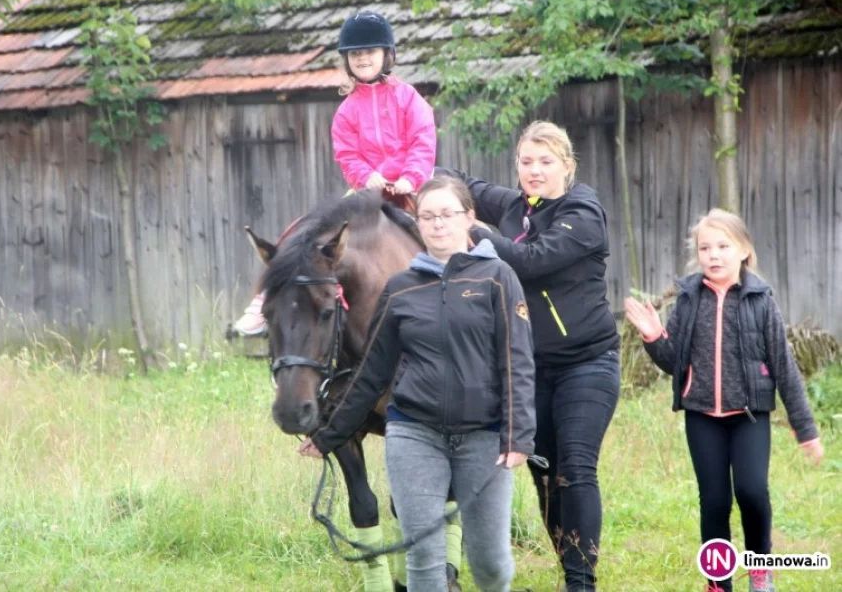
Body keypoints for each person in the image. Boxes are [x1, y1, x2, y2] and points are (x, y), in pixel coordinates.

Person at [298, 176, 537, 592]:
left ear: (469, 219)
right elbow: (371, 372)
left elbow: (517, 359)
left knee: (491, 566)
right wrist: (329, 435)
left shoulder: (499, 277)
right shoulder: (401, 288)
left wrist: (517, 435)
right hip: (414, 436)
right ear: (419, 223)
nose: (437, 224)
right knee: (424, 565)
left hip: (483, 437)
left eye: (447, 214)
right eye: (427, 216)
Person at [437, 120, 621, 591]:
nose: (534, 171)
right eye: (526, 162)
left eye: (545, 161)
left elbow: (532, 260)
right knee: (545, 475)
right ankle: (568, 567)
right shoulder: (517, 206)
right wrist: (421, 174)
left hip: (588, 362)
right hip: (531, 368)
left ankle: (581, 583)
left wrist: (474, 229)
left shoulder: (583, 211)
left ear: (567, 165)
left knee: (576, 467)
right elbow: (464, 183)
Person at [624, 209, 823, 592]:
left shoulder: (761, 302)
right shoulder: (688, 300)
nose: (713, 255)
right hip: (702, 417)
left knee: (751, 491)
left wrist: (807, 430)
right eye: (705, 248)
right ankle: (718, 580)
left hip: (749, 417)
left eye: (723, 246)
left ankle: (760, 568)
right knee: (714, 501)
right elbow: (673, 363)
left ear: (744, 250)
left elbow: (785, 368)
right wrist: (653, 337)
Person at [233, 9, 436, 336]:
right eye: (355, 54)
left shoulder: (409, 98)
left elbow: (422, 140)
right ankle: (264, 297)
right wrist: (365, 177)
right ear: (346, 61)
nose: (363, 58)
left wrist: (409, 178)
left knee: (443, 226)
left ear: (387, 55)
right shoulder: (346, 111)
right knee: (303, 229)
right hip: (364, 192)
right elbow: (347, 154)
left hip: (411, 187)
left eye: (370, 52)